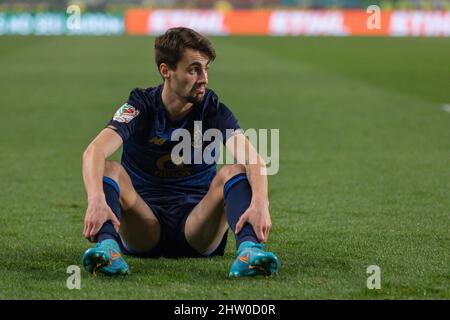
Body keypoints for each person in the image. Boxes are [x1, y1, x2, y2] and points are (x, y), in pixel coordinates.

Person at [81, 27, 280, 277]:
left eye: (206, 68)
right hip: (144, 225)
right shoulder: (140, 105)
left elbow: (254, 159)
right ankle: (108, 249)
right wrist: (96, 200)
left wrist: (261, 203)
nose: (204, 78)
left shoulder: (212, 109)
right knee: (109, 168)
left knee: (237, 169)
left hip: (197, 226)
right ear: (166, 70)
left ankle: (250, 251)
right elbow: (94, 151)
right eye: (194, 69)